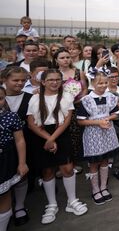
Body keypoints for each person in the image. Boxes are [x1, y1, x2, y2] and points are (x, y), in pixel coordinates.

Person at [27, 69, 88, 224]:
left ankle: (72, 200)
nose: (54, 83)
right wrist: (48, 139)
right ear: (43, 82)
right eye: (50, 80)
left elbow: (67, 120)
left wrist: (53, 139)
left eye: (57, 80)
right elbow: (32, 123)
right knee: (47, 170)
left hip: (60, 133)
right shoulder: (35, 98)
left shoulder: (66, 96)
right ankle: (52, 204)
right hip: (42, 134)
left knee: (67, 168)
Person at [77, 70, 119, 205]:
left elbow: (116, 114)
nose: (102, 86)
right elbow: (80, 121)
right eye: (99, 83)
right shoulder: (86, 100)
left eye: (105, 83)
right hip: (93, 134)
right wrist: (98, 122)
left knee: (105, 160)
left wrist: (108, 118)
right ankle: (95, 189)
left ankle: (103, 187)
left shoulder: (111, 97)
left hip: (108, 132)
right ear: (93, 83)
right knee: (94, 163)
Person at [1, 67, 33, 226]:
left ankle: (19, 205)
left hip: (24, 142)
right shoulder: (1, 97)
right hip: (4, 145)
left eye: (23, 80)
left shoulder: (30, 97)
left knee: (21, 174)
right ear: (4, 80)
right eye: (15, 80)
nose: (20, 83)